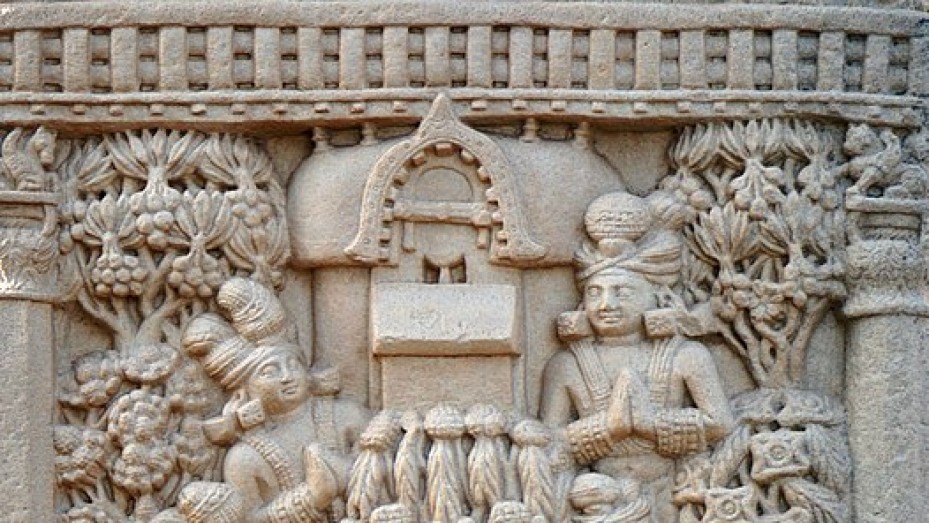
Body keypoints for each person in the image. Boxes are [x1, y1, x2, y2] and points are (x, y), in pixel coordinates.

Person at [540, 191, 733, 522]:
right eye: (595, 293)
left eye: (623, 292)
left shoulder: (686, 355)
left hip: (674, 492)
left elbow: (720, 423)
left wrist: (652, 424)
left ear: (656, 296)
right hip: (596, 496)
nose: (607, 305)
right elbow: (549, 441)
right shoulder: (567, 364)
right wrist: (608, 428)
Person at [180, 277, 369, 523]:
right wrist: (309, 499)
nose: (287, 376)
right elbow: (249, 518)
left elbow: (383, 469)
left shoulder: (347, 417)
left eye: (293, 364)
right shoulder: (244, 458)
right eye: (270, 372)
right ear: (243, 390)